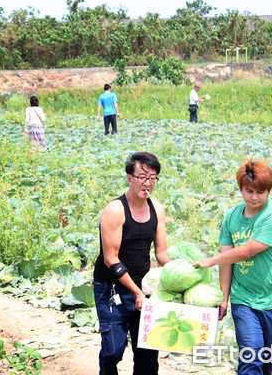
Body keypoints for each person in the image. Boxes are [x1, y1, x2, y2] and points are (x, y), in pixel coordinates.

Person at [193, 158, 272, 375]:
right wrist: (224, 297)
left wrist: (210, 261)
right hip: (244, 298)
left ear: (269, 191)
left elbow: (247, 250)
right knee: (250, 355)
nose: (255, 197)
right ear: (240, 189)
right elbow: (227, 259)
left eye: (261, 192)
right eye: (249, 191)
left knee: (267, 362)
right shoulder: (232, 216)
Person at [93, 152, 171, 375]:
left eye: (153, 178)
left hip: (144, 287)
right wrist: (136, 292)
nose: (147, 183)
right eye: (142, 177)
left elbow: (162, 253)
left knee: (147, 354)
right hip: (112, 288)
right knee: (113, 351)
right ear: (129, 178)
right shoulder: (115, 210)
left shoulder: (157, 209)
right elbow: (111, 258)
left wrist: (183, 272)